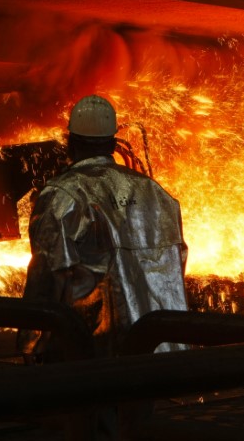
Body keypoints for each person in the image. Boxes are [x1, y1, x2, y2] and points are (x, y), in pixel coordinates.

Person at [17, 94, 188, 361]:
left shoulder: (63, 194)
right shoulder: (157, 194)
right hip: (161, 354)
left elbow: (48, 274)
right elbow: (176, 264)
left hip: (94, 357)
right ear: (112, 144)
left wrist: (30, 343)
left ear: (70, 143)